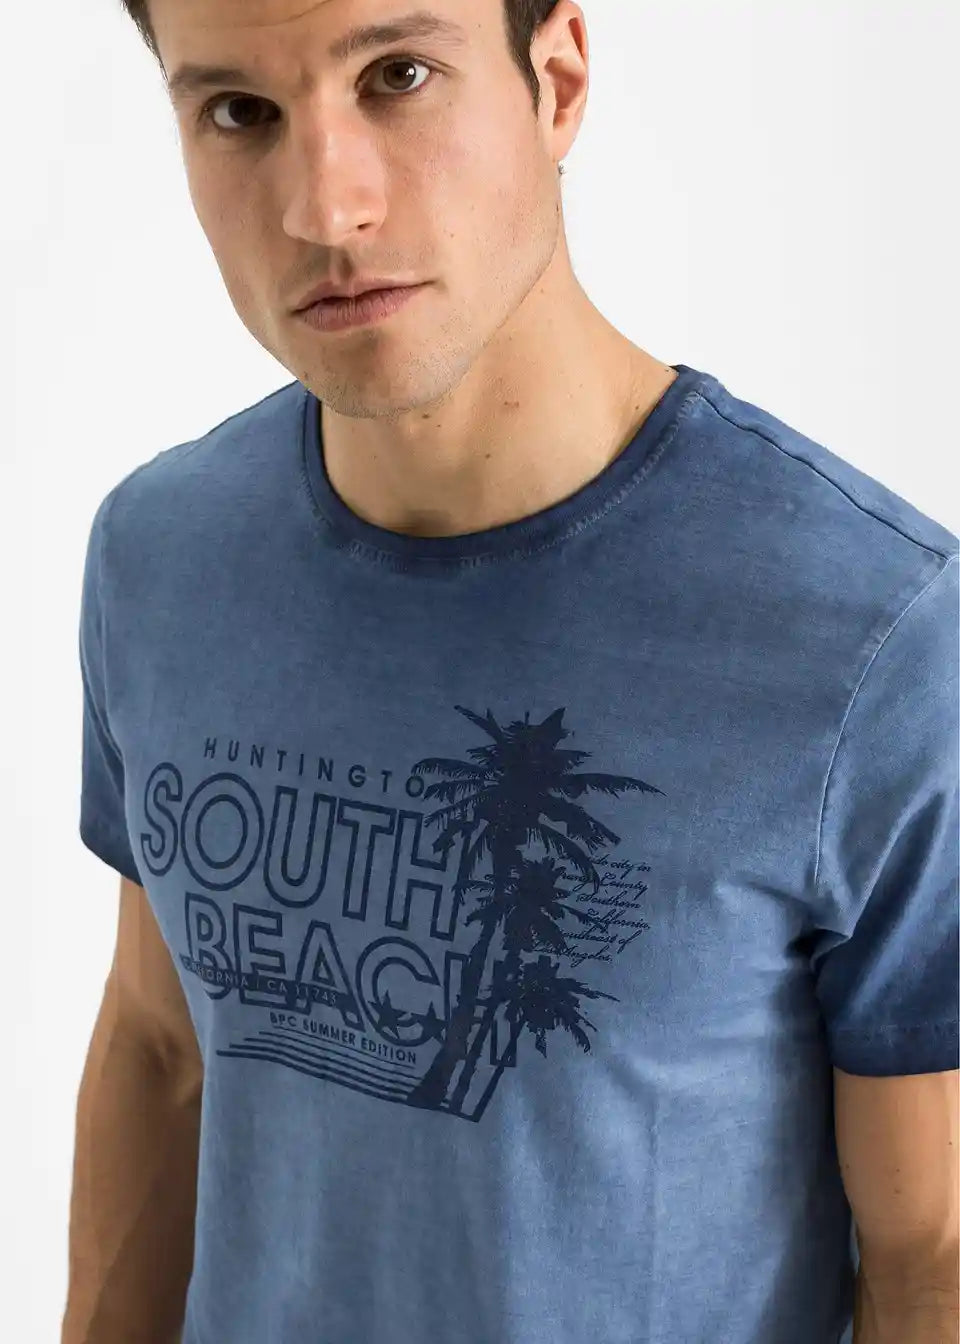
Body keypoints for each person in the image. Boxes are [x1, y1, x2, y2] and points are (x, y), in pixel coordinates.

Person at [63, 2, 959, 1342]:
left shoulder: (880, 635)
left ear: (557, 83)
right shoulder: (161, 555)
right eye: (240, 112)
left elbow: (932, 1250)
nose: (325, 206)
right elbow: (161, 1048)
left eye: (399, 75)